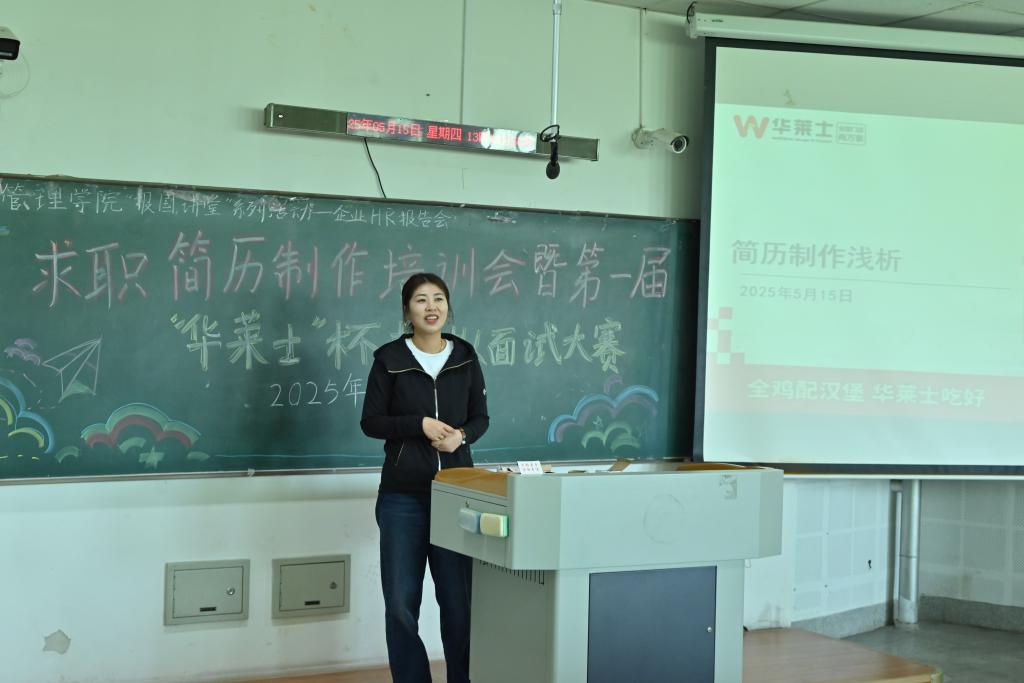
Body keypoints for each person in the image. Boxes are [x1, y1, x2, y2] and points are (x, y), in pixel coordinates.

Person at [361, 272, 489, 683]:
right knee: (401, 604)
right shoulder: (388, 360)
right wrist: (418, 424)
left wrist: (461, 436)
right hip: (403, 498)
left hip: (457, 495)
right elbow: (371, 422)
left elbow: (481, 418)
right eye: (421, 300)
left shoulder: (465, 356)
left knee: (459, 605)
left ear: (448, 306)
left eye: (438, 298)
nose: (431, 307)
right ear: (407, 310)